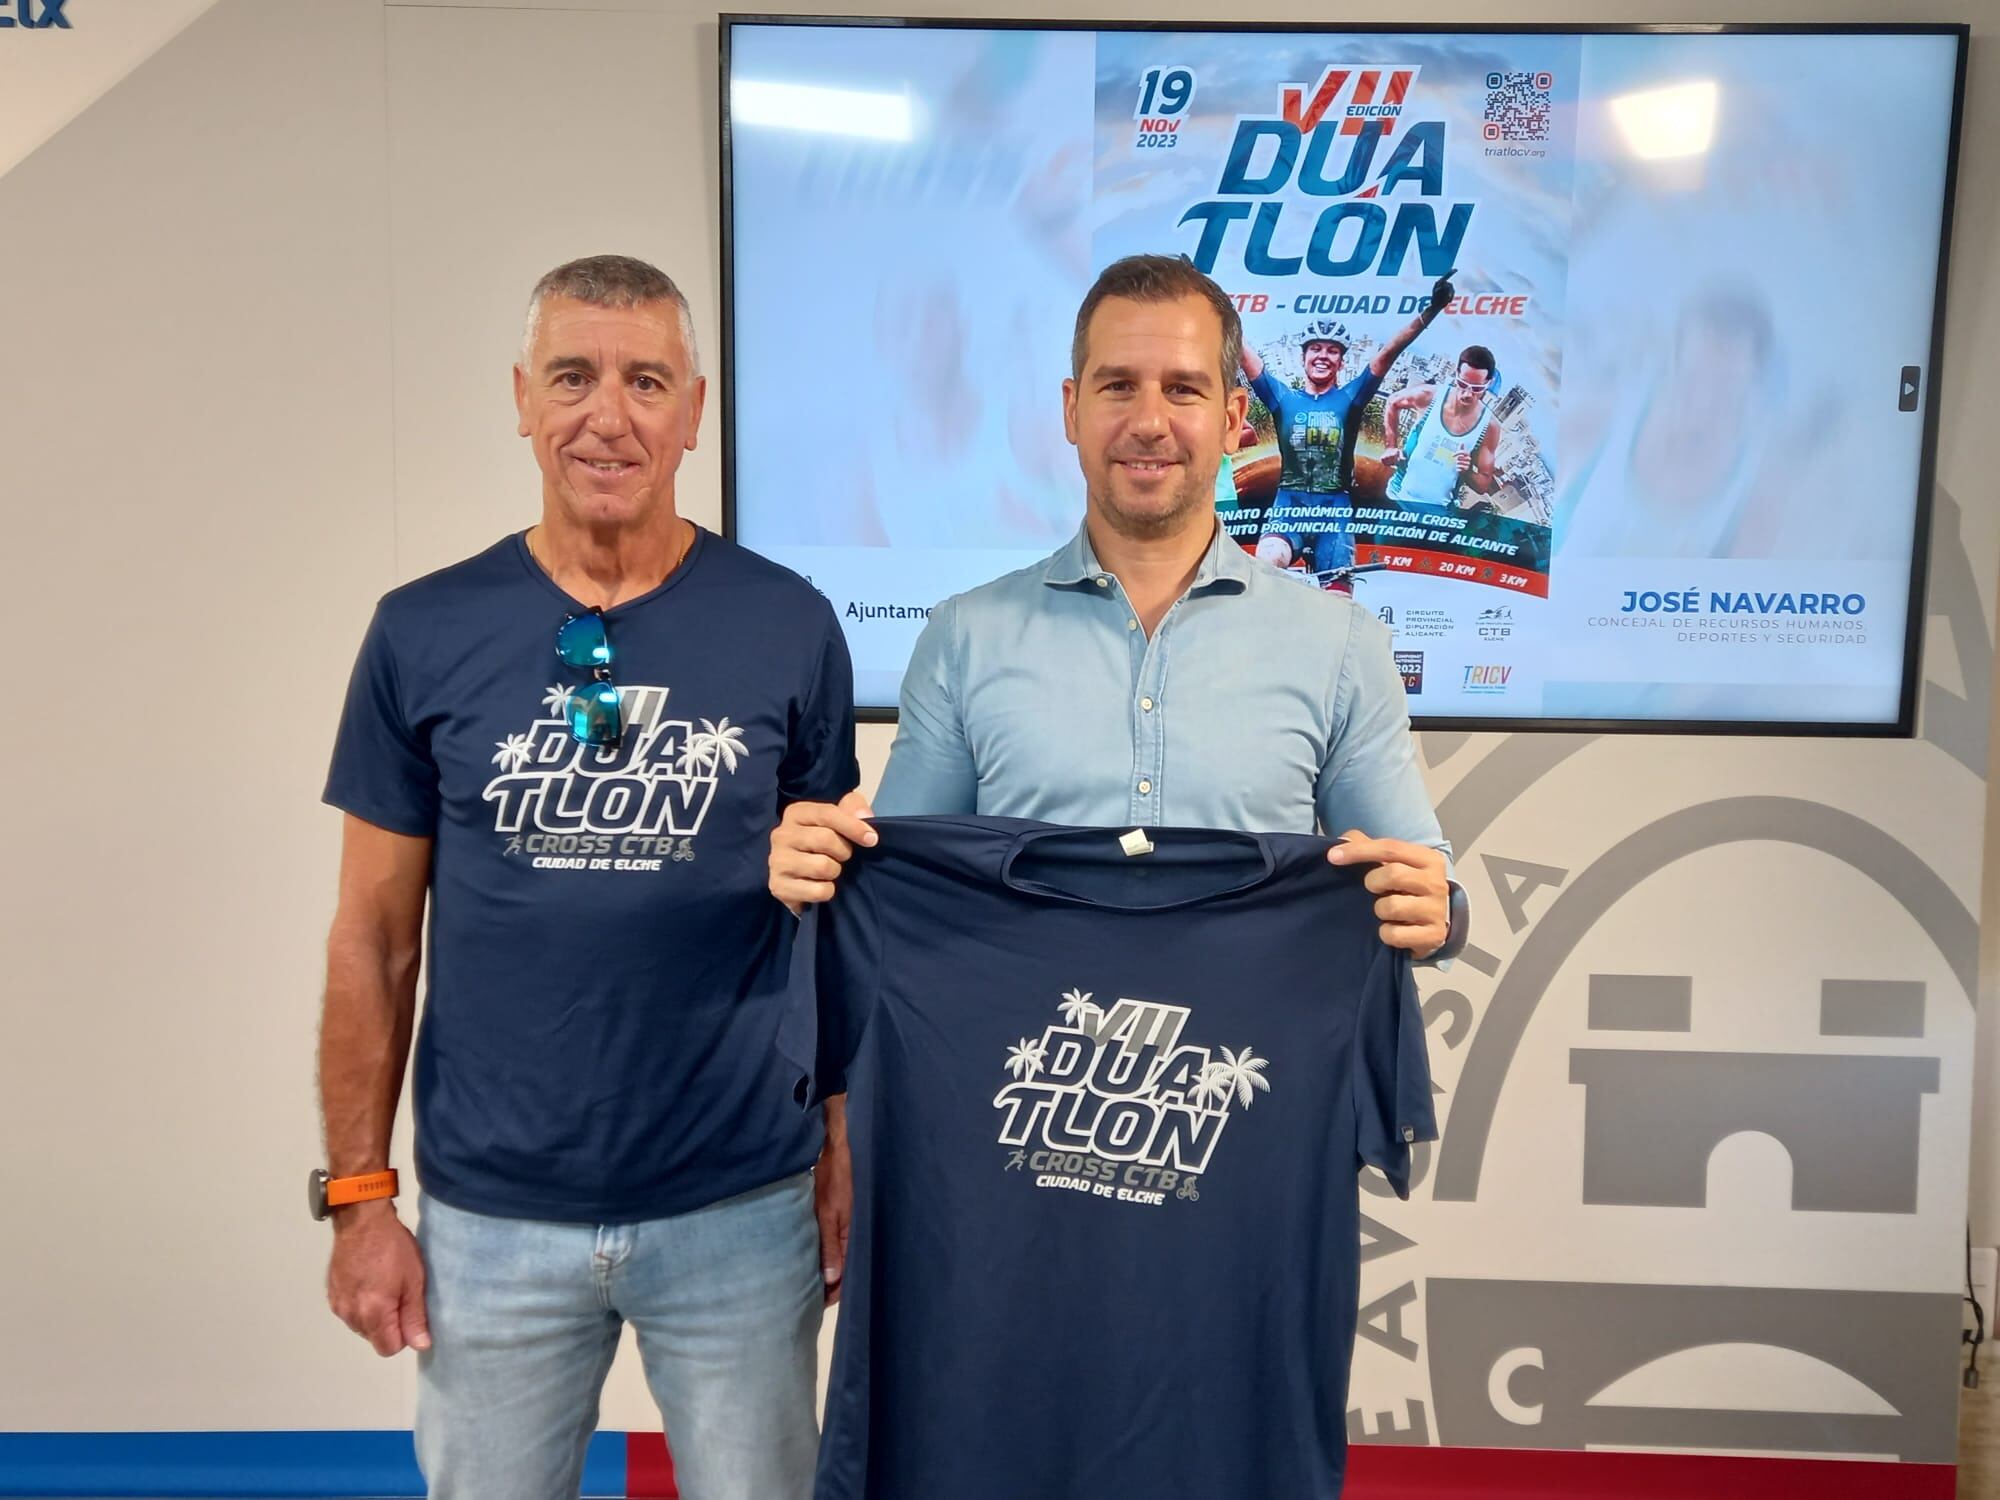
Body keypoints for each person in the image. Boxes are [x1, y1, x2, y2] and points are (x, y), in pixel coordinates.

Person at [769, 252, 1467, 1292]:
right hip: (1010, 1158)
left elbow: (1428, 883)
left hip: (1241, 1164)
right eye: (1117, 386)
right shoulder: (966, 638)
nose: (1149, 421)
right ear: (1068, 408)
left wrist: (1436, 906)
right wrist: (817, 868)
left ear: (1236, 416)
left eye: (1183, 389)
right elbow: (893, 905)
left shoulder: (1337, 646)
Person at [316, 255, 856, 1500]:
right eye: (572, 376)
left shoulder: (788, 624)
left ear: (694, 411)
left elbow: (836, 921)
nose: (606, 415)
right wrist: (358, 1199)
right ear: (520, 397)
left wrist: (845, 1146)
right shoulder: (421, 631)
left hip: (738, 1206)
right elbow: (373, 939)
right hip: (491, 1222)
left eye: (644, 381)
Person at [1240, 277, 1454, 576]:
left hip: (1335, 509)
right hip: (1289, 505)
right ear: (1304, 357)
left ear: (1341, 362)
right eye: (1316, 348)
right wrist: (1206, 295)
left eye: (1332, 351)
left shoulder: (1350, 398)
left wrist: (1431, 311)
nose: (1323, 356)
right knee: (1266, 563)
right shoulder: (1283, 398)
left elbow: (1390, 352)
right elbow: (1242, 349)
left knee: (1340, 598)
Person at [1383, 345, 1504, 512]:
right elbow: (1393, 401)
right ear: (1456, 374)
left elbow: (1483, 484)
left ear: (1488, 383)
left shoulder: (1489, 426)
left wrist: (1466, 470)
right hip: (1399, 498)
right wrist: (1390, 446)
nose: (1467, 393)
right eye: (1462, 384)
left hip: (1439, 514)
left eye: (1476, 388)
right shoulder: (1430, 397)